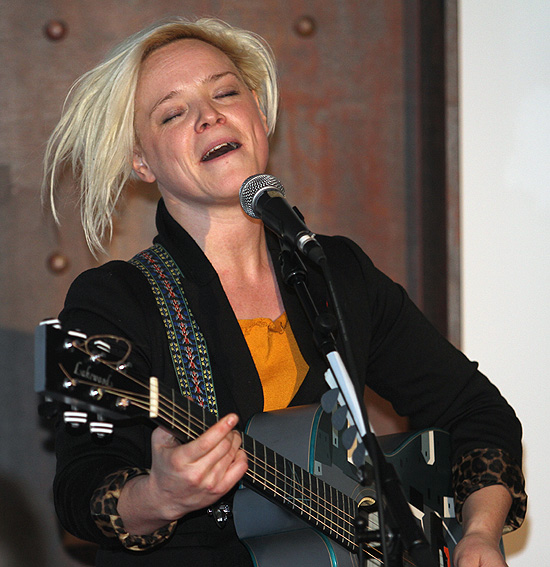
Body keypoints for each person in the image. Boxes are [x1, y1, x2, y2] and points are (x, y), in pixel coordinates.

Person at [42, 16, 526, 567]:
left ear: (261, 114)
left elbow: (476, 410)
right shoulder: (116, 300)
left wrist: (478, 534)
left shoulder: (334, 272)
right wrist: (159, 496)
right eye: (173, 113)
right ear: (141, 161)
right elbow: (81, 491)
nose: (208, 116)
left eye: (226, 92)